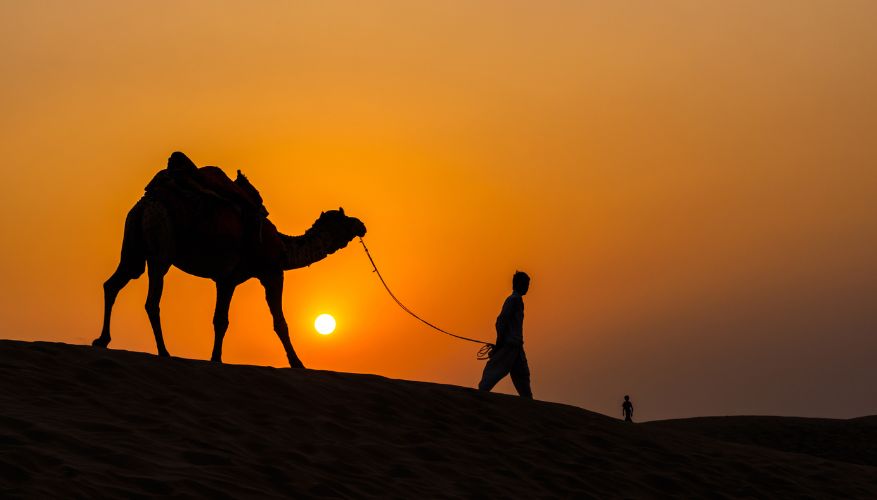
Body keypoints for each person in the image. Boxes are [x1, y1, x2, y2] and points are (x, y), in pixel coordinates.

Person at [478, 271, 533, 399]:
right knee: (493, 371)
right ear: (519, 284)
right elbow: (501, 321)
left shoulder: (517, 300)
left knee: (522, 376)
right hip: (510, 345)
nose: (527, 287)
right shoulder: (514, 300)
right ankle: (479, 396)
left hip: (516, 346)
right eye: (526, 284)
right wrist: (500, 342)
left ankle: (529, 403)